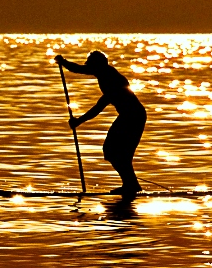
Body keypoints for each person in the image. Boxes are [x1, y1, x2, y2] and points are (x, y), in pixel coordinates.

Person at [54, 51, 146, 201]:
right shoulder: (104, 73)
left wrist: (79, 121)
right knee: (115, 153)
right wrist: (63, 62)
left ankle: (131, 185)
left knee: (112, 151)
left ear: (99, 65)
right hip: (128, 116)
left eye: (92, 66)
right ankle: (131, 184)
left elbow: (98, 107)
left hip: (133, 117)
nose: (90, 70)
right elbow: (79, 69)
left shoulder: (111, 78)